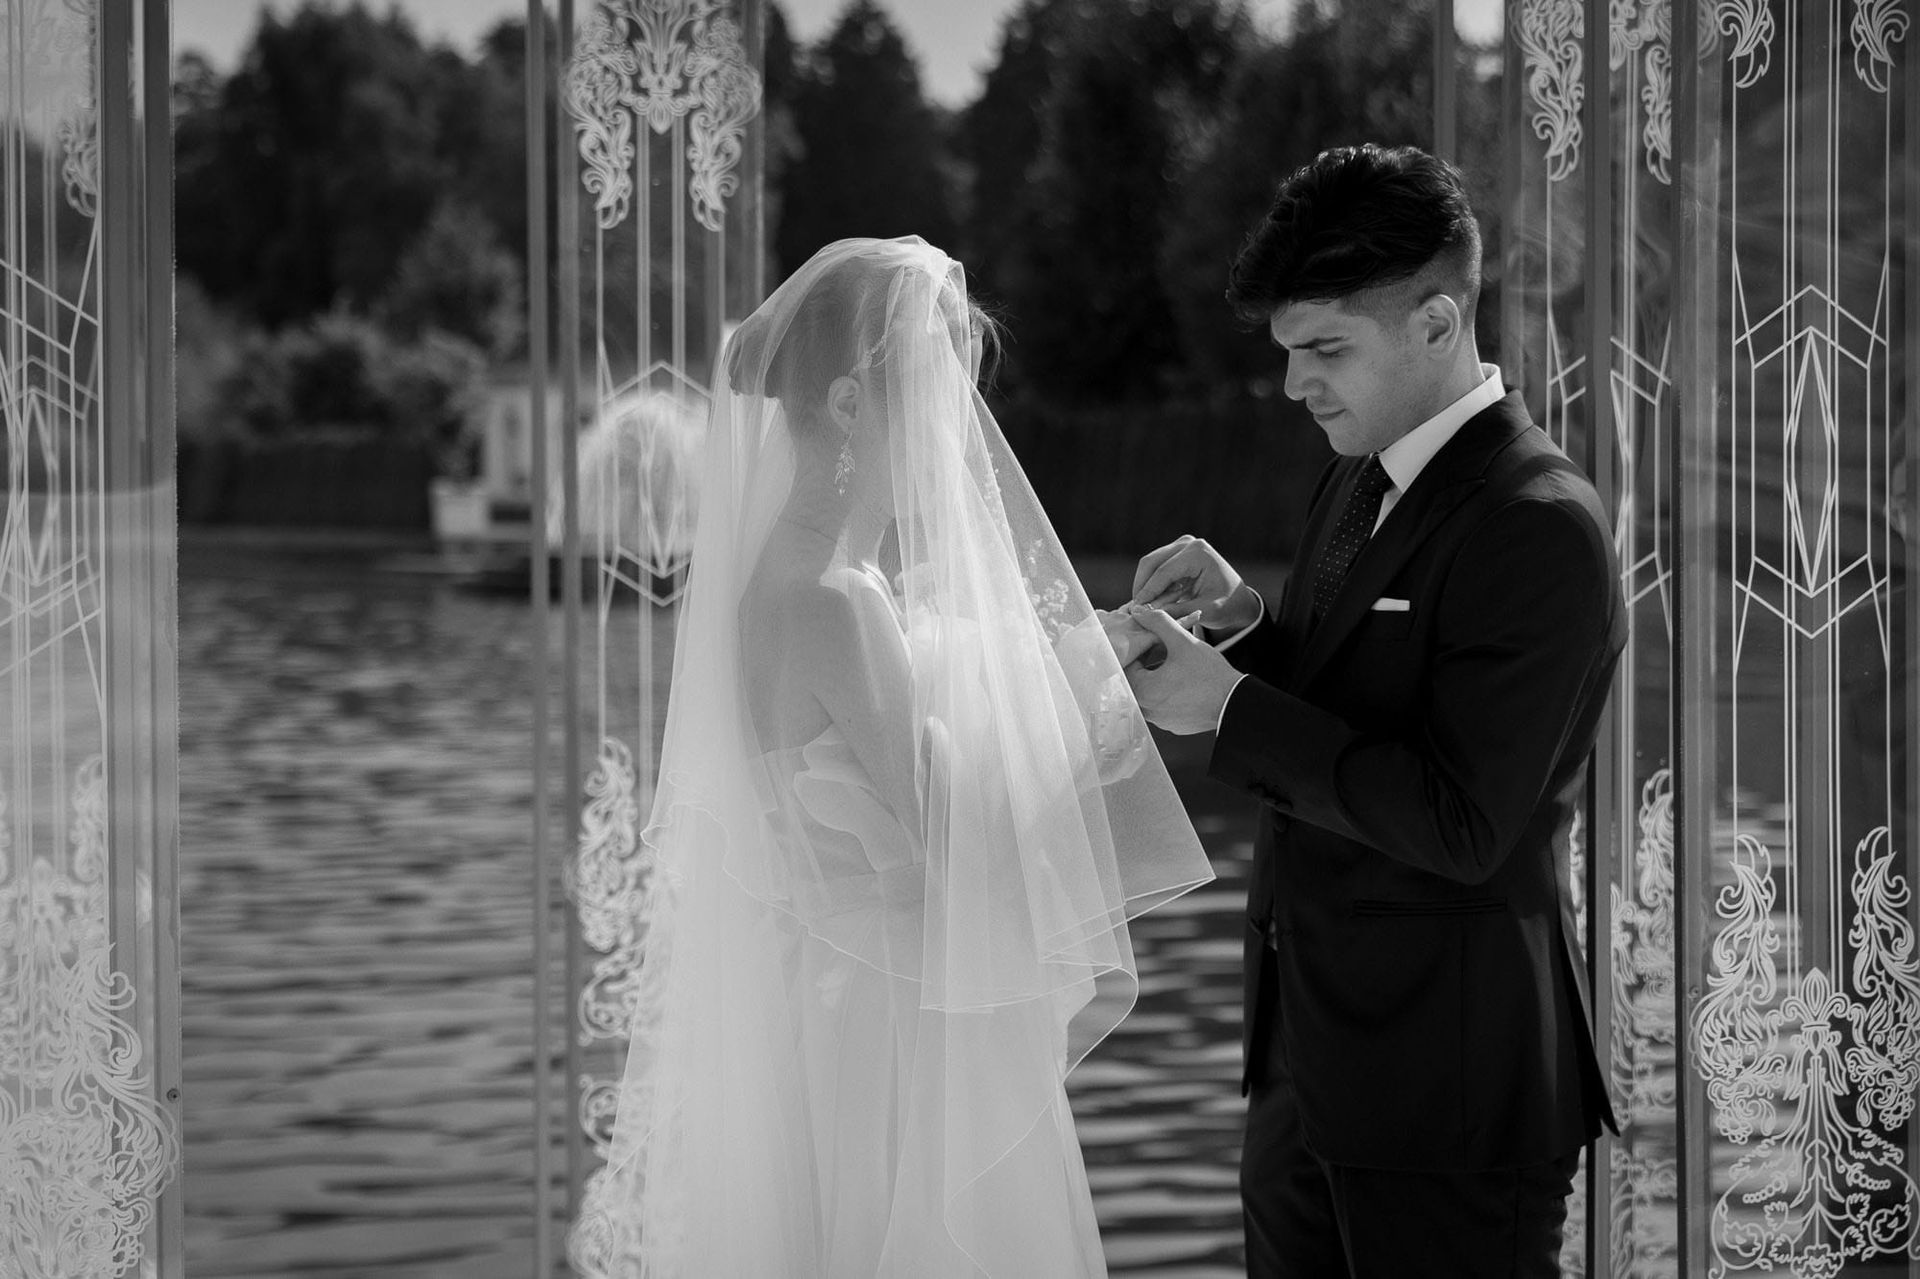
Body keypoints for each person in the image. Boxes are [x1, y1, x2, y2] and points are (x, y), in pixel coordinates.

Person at [576, 237, 1213, 1277]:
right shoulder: (837, 598)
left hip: (829, 1006)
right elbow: (951, 844)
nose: (959, 431)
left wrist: (1075, 655)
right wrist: (1090, 694)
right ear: (847, 404)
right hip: (894, 1038)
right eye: (938, 393)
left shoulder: (788, 577)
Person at [1122, 145, 1624, 1278]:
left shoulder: (1540, 522)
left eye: (1326, 349)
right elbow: (1357, 698)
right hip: (1304, 1070)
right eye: (1288, 350)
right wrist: (1244, 627)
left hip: (1449, 1099)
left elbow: (1462, 820)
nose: (1293, 383)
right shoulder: (1360, 472)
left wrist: (1229, 706)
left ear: (1438, 324)